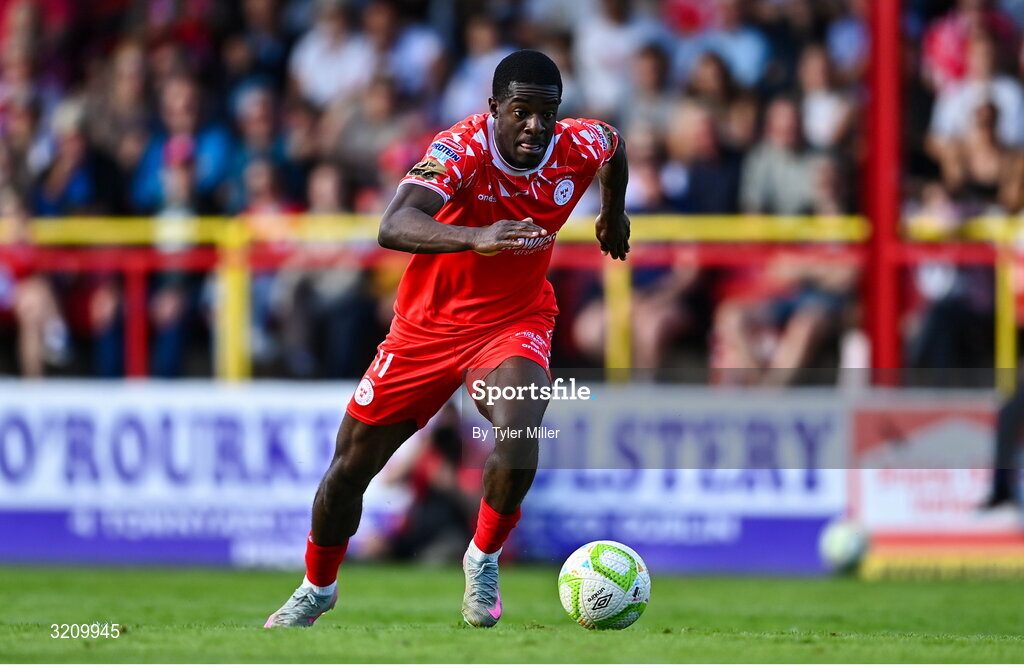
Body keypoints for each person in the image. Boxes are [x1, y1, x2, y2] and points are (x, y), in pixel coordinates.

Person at [264, 49, 630, 628]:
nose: (536, 126)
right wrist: (475, 237)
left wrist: (614, 213)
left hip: (513, 321)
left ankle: (483, 560)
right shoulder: (460, 148)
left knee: (520, 427)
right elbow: (393, 224)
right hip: (425, 331)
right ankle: (317, 586)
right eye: (521, 112)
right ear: (494, 110)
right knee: (347, 472)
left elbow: (612, 145)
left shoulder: (578, 143)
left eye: (547, 114)